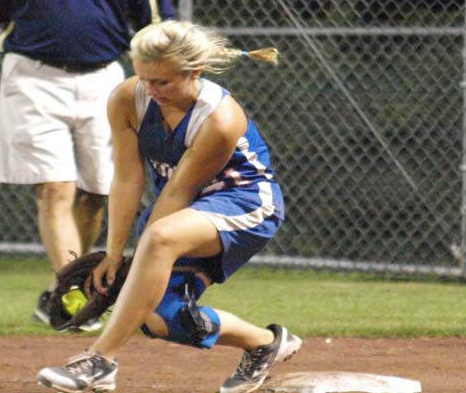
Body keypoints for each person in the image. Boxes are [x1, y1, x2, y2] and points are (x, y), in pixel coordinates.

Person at [36, 20, 301, 393]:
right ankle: (264, 343)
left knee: (159, 239)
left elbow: (179, 193)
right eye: (143, 77)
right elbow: (128, 179)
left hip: (244, 203)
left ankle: (100, 361)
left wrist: (136, 261)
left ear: (194, 72)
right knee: (161, 319)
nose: (150, 89)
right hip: (182, 205)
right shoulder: (128, 98)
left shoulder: (220, 119)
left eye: (161, 81)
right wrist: (114, 256)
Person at [0, 0, 175, 331]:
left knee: (96, 191)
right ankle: (73, 298)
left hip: (104, 80)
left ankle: (57, 291)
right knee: (55, 188)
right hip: (31, 77)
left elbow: (157, 22)